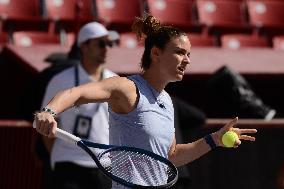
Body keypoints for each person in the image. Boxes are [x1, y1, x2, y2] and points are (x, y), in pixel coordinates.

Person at [34, 15, 257, 188]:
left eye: (188, 54)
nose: (187, 60)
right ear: (156, 53)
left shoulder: (167, 101)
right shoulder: (126, 88)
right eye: (180, 52)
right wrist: (49, 111)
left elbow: (170, 157)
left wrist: (214, 140)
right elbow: (76, 93)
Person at [40, 22, 117, 189]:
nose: (106, 49)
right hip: (67, 164)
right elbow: (46, 128)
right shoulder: (60, 80)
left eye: (109, 43)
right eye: (101, 44)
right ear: (83, 46)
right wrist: (58, 154)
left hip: (103, 165)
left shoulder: (115, 81)